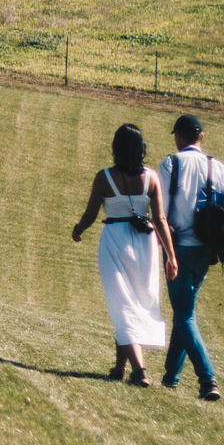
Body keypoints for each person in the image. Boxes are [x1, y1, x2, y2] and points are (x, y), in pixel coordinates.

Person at [72, 123, 178, 386]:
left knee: (122, 304)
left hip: (114, 241)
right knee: (134, 303)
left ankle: (139, 370)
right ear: (141, 149)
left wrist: (78, 229)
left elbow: (91, 213)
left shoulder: (104, 177)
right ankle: (119, 368)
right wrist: (171, 256)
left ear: (115, 148)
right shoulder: (152, 177)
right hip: (145, 244)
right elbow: (161, 219)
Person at [158, 114, 224, 401]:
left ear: (178, 137)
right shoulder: (216, 167)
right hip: (207, 251)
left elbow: (162, 214)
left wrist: (168, 253)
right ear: (201, 137)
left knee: (184, 315)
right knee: (185, 313)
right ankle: (170, 377)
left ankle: (208, 379)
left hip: (179, 248)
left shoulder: (171, 163)